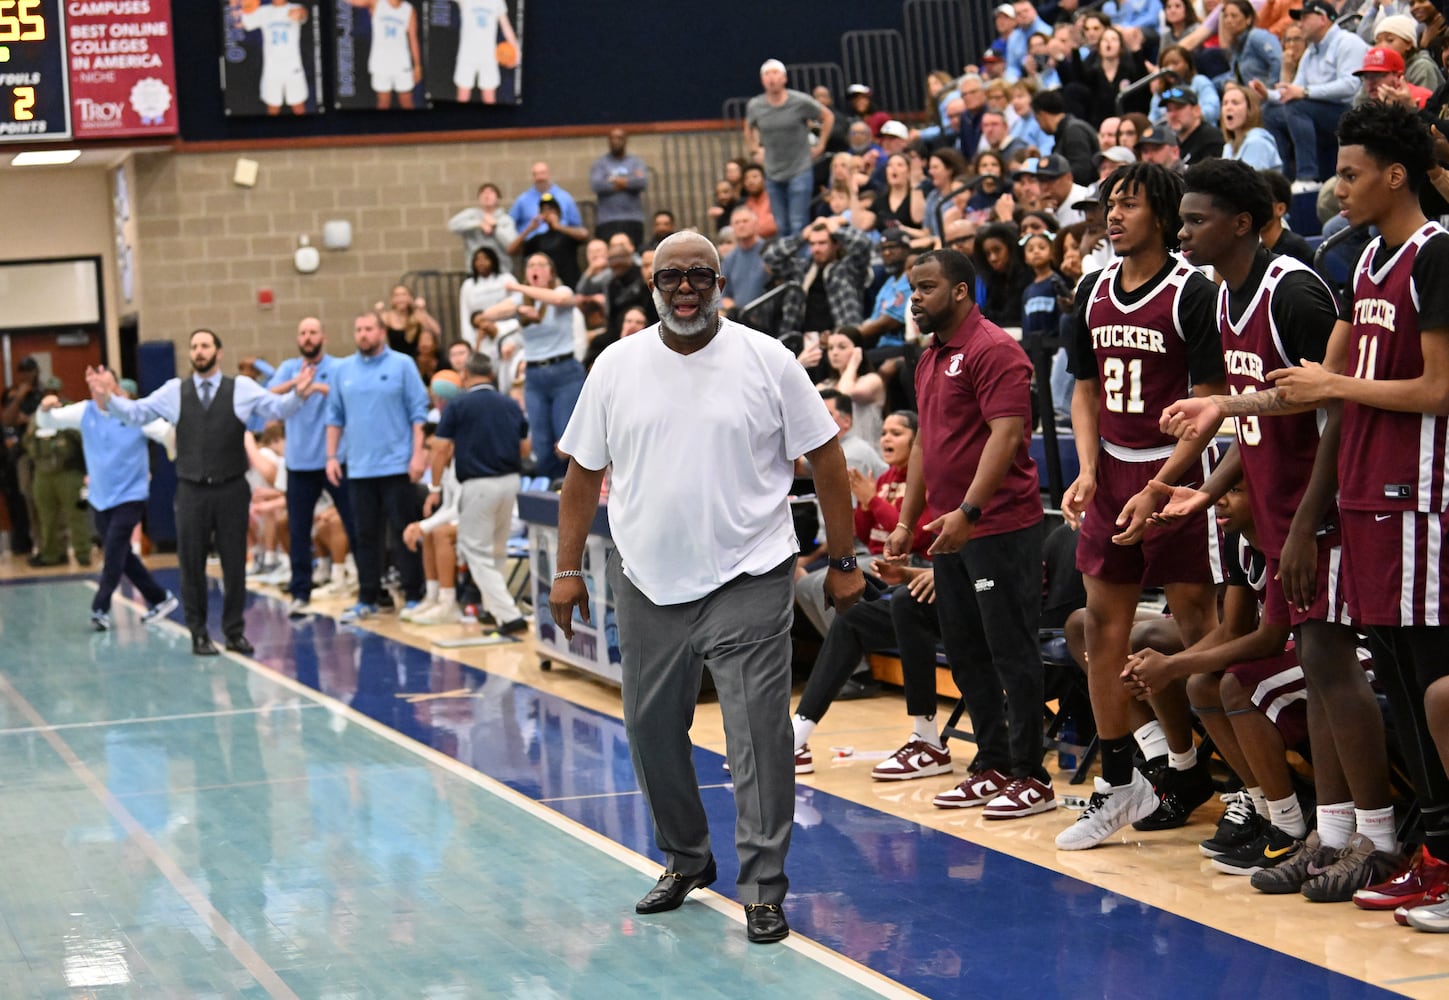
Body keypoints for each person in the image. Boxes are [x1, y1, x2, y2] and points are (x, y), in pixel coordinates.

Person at [551, 231, 864, 944]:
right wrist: (566, 573)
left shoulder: (765, 358)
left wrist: (842, 559)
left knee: (755, 735)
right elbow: (579, 478)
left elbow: (826, 456)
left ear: (720, 280)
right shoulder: (616, 365)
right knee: (650, 729)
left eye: (699, 274)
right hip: (647, 580)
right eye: (671, 277)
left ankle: (762, 886)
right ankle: (687, 858)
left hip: (748, 573)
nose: (685, 287)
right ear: (653, 286)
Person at [1159, 157, 1398, 900]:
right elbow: (1259, 419)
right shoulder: (1223, 298)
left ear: (1240, 222)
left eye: (1196, 220)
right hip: (1276, 510)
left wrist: (1304, 523)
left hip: (1320, 510)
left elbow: (1335, 408)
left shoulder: (1291, 290)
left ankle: (1377, 838)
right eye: (1183, 219)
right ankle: (1330, 836)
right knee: (1321, 672)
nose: (1184, 232)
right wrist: (1203, 492)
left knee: (1333, 667)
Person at [1260, 104, 1449, 924]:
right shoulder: (1365, 258)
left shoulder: (1435, 255)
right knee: (1402, 686)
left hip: (1420, 498)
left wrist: (1331, 387)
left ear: (1394, 175)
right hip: (1367, 494)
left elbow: (1438, 390)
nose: (1335, 190)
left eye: (1348, 173)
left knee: (1430, 684)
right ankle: (1428, 849)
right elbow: (1324, 386)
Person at [1056, 162, 1226, 851]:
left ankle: (1241, 781)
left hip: (1177, 479)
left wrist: (1167, 484)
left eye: (1127, 205)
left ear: (1160, 212)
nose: (1113, 216)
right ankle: (1121, 780)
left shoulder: (1192, 292)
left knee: (1197, 628)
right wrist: (1089, 468)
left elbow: (1214, 402)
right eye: (1108, 206)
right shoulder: (1092, 290)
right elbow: (1083, 390)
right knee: (1101, 628)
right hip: (1115, 477)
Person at [877, 248, 1051, 818]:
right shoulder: (929, 358)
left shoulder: (994, 349)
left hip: (997, 527)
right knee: (967, 650)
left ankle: (1031, 774)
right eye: (910, 288)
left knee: (1010, 650)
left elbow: (1006, 435)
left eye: (925, 287)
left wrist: (970, 511)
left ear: (959, 292)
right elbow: (926, 443)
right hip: (948, 532)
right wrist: (907, 522)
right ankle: (993, 763)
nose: (914, 299)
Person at [89, 329, 314, 656]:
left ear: (218, 353)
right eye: (194, 346)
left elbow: (276, 409)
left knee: (235, 563)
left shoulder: (241, 388)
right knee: (191, 564)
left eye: (205, 345)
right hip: (192, 490)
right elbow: (138, 413)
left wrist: (300, 395)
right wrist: (108, 399)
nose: (199, 351)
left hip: (232, 488)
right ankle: (198, 633)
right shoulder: (174, 391)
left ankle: (234, 632)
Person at [35, 373, 177, 630]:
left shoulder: (135, 414)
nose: (97, 391)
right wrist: (44, 408)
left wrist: (179, 446)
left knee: (113, 552)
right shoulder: (84, 412)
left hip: (131, 496)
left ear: (114, 389)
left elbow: (167, 434)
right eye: (93, 387)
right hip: (101, 498)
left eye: (103, 386)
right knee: (121, 552)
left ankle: (100, 607)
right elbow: (47, 422)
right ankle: (159, 598)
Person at [326, 312, 429, 623]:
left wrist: (418, 454)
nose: (363, 334)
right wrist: (331, 457)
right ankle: (367, 596)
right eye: (358, 329)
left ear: (382, 332)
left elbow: (418, 412)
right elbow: (334, 417)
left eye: (369, 328)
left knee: (402, 532)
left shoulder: (402, 364)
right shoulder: (343, 370)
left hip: (397, 465)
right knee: (364, 535)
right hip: (359, 469)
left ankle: (413, 594)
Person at [427, 352, 529, 634]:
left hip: (479, 483)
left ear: (465, 375)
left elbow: (440, 449)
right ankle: (495, 612)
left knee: (475, 550)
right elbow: (525, 447)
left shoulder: (458, 404)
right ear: (492, 374)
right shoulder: (510, 403)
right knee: (496, 549)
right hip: (511, 481)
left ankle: (508, 615)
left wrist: (434, 487)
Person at [270, 316, 356, 617]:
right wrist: (297, 384)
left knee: (354, 521)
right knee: (297, 528)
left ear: (324, 337)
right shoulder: (289, 368)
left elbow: (350, 395)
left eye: (313, 332)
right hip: (299, 463)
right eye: (303, 332)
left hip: (335, 460)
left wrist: (317, 387)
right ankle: (300, 591)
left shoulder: (339, 367)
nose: (308, 337)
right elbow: (268, 396)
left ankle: (371, 587)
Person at [1254, 0, 1369, 188]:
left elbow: (1351, 85)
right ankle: (1284, 179)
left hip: (1350, 113)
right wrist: (1268, 94)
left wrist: (1306, 92)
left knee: (1297, 106)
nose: (1300, 24)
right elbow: (1295, 89)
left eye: (1305, 18)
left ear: (1322, 18)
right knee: (1271, 113)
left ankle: (1307, 177)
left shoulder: (1348, 42)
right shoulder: (1310, 52)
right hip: (1320, 112)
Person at [499, 254, 585, 480]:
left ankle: (571, 491)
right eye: (530, 265)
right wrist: (517, 310)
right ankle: (549, 494)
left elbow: (558, 300)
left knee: (566, 442)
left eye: (541, 265)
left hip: (565, 372)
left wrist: (518, 287)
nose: (535, 269)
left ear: (551, 271)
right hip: (535, 375)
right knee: (542, 443)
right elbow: (490, 314)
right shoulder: (521, 301)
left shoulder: (562, 291)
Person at [745, 59, 833, 239]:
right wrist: (754, 149)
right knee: (781, 224)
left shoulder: (799, 101)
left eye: (775, 73)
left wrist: (821, 144)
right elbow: (748, 126)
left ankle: (800, 262)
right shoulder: (756, 105)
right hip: (773, 171)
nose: (772, 78)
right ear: (762, 80)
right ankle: (785, 261)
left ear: (784, 78)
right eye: (767, 74)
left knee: (797, 221)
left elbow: (827, 116)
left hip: (799, 168)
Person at [762, 216, 872, 340]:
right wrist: (801, 237)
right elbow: (770, 258)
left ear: (836, 245)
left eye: (822, 243)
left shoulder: (848, 268)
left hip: (839, 341)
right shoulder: (802, 270)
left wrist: (835, 229)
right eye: (812, 244)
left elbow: (864, 244)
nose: (816, 249)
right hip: (801, 342)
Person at [23, 376, 88, 568]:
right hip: (43, 471)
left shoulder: (71, 411)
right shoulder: (38, 414)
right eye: (48, 392)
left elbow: (83, 439)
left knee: (76, 515)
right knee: (47, 516)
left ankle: (83, 552)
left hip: (67, 470)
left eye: (55, 391)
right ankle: (51, 553)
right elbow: (27, 440)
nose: (51, 395)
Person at [232, 0, 309, 115]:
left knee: (298, 107)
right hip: (272, 69)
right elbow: (239, 23)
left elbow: (303, 14)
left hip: (293, 67)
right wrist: (235, 6)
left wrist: (301, 12)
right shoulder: (263, 11)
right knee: (273, 108)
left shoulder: (295, 7)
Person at [345, 0, 420, 109]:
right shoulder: (377, 3)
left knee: (407, 102)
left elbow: (413, 39)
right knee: (383, 103)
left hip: (402, 63)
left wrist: (417, 65)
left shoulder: (409, 9)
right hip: (380, 63)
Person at [510, 193, 588, 289]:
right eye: (544, 210)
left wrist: (558, 226)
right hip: (547, 288)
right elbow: (511, 250)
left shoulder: (567, 234)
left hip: (570, 285)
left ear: (558, 212)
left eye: (550, 209)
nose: (547, 213)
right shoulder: (538, 239)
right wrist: (529, 229)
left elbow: (584, 235)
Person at [590, 128, 650, 249]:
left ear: (626, 141)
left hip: (632, 219)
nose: (616, 141)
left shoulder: (635, 162)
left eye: (619, 138)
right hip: (607, 221)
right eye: (612, 138)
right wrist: (627, 182)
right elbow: (597, 185)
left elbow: (641, 182)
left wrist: (614, 181)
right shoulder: (600, 164)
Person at [451, 0, 519, 103]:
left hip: (489, 57)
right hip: (467, 55)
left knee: (489, 98)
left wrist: (517, 52)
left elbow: (506, 26)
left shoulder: (498, 1)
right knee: (462, 97)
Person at [447, 182, 517, 271]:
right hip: (475, 272)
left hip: (501, 270)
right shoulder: (470, 214)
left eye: (491, 192)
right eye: (483, 193)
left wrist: (495, 228)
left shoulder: (506, 220)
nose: (487, 195)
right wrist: (479, 224)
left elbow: (511, 244)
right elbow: (452, 226)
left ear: (498, 198)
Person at [719, 205, 769, 317]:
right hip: (741, 320)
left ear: (756, 224)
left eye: (745, 221)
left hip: (768, 318)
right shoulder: (729, 259)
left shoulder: (769, 251)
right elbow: (724, 295)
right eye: (737, 222)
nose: (741, 225)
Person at [1220, 83, 1283, 171]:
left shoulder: (1257, 142)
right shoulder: (1228, 147)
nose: (1228, 108)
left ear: (1250, 110)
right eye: (1225, 103)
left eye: (1235, 103)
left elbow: (1249, 183)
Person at [1160, 86, 1225, 167]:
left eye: (1178, 108)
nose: (1172, 115)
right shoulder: (1172, 143)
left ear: (1196, 110)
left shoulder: (1211, 139)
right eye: (1169, 110)